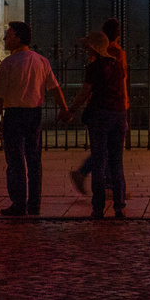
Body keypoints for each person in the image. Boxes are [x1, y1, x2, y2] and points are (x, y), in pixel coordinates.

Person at [0, 20, 69, 216]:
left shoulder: (8, 63)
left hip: (14, 115)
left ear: (18, 37)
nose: (5, 39)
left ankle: (18, 203)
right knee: (34, 160)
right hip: (34, 114)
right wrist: (65, 109)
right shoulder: (41, 61)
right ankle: (34, 203)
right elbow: (55, 88)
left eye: (8, 35)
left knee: (15, 161)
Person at [64, 31, 128, 218]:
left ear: (94, 48)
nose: (86, 51)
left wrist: (72, 109)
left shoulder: (93, 67)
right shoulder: (117, 65)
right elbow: (122, 90)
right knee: (117, 162)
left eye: (88, 48)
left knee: (99, 161)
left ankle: (98, 207)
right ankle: (119, 205)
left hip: (100, 115)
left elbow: (85, 92)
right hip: (118, 114)